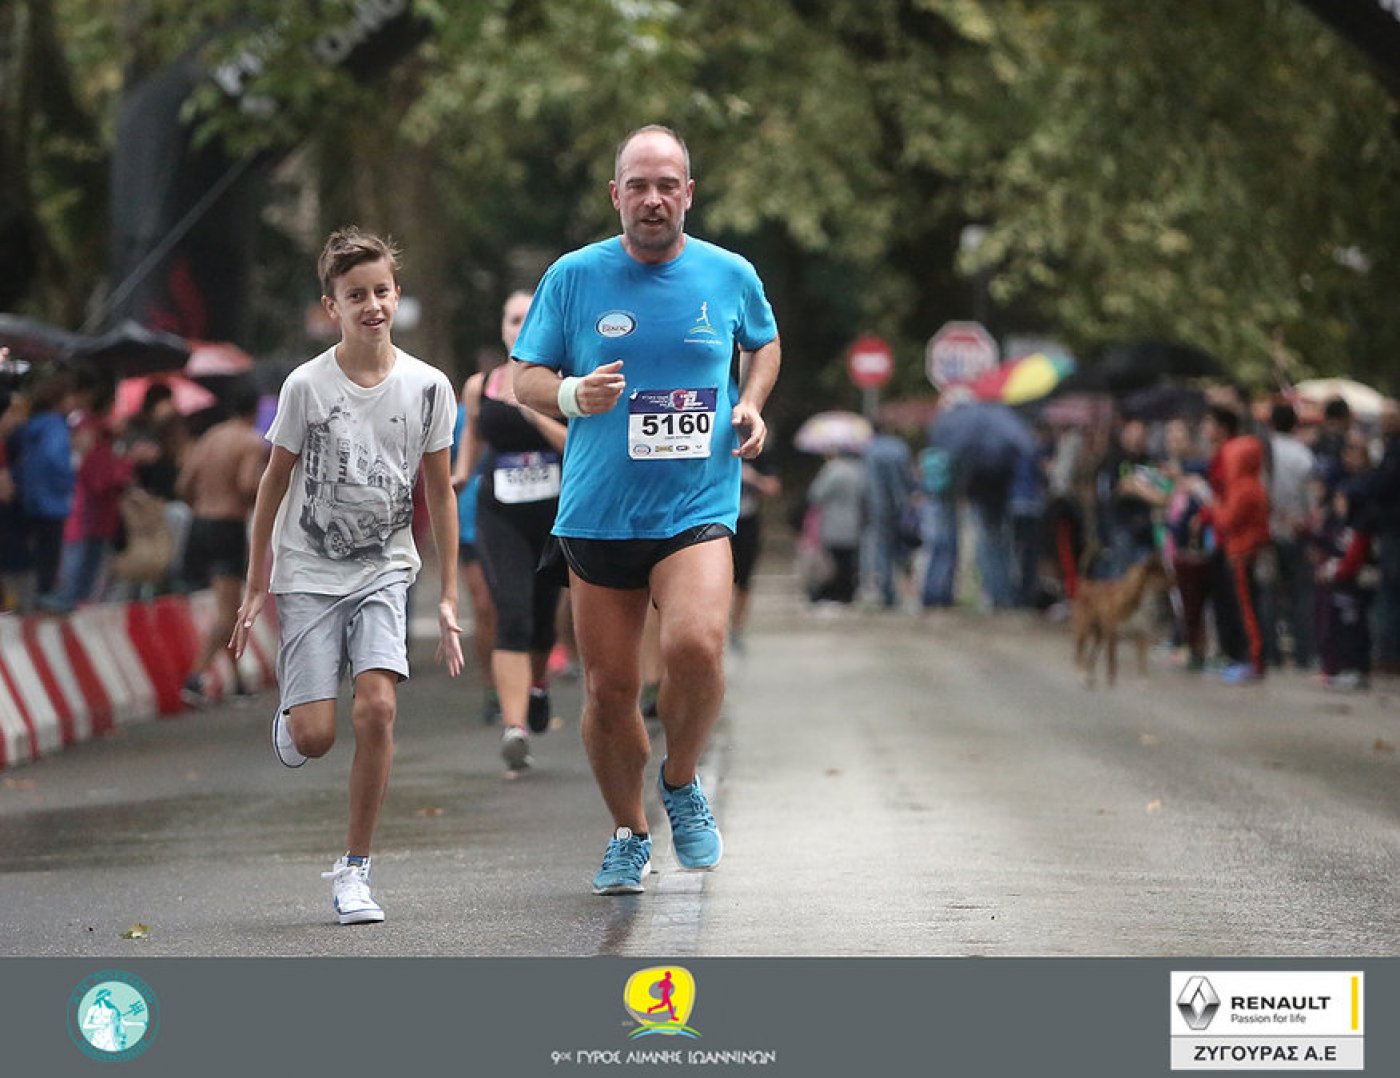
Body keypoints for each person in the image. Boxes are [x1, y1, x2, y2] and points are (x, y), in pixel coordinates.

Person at [512, 124, 780, 895]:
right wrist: (572, 393)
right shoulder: (573, 276)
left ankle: (682, 777)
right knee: (608, 690)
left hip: (696, 503)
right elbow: (523, 376)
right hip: (597, 512)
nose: (653, 199)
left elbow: (763, 343)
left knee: (696, 644)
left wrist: (751, 403)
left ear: (688, 193)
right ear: (616, 195)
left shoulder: (729, 273)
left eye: (667, 185)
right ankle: (629, 831)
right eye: (639, 185)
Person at [229, 227, 464, 925]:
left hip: (385, 570)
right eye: (356, 295)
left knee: (378, 709)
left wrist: (449, 594)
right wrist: (255, 580)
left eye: (382, 291)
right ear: (331, 306)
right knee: (316, 738)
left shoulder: (429, 387)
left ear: (397, 295)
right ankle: (294, 715)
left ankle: (355, 871)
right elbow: (273, 483)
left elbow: (441, 491)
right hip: (307, 572)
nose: (372, 305)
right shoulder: (306, 385)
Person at [454, 289, 568, 772]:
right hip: (499, 513)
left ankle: (537, 685)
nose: (520, 328)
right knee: (512, 612)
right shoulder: (480, 385)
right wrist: (459, 476)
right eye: (513, 319)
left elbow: (575, 445)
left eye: (529, 318)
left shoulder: (563, 381)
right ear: (502, 327)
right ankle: (515, 727)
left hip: (555, 515)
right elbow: (471, 439)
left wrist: (531, 409)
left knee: (543, 619)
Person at [176, 382, 269, 704]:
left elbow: (184, 483)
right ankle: (196, 676)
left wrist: (200, 504)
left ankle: (238, 679)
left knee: (226, 605)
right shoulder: (250, 441)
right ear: (254, 410)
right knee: (229, 611)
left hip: (199, 523)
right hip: (227, 524)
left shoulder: (210, 437)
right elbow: (246, 484)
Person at [451, 349, 500, 724]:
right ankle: (492, 687)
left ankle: (528, 681)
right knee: (484, 605)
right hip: (470, 518)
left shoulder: (525, 407)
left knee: (519, 606)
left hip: (514, 514)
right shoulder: (457, 417)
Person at [1261, 401, 1316, 670]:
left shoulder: (1263, 452)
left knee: (1268, 593)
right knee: (1301, 595)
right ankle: (1304, 653)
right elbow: (1311, 499)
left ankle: (1270, 652)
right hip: (1297, 531)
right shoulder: (1304, 455)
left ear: (1270, 423)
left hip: (1268, 532)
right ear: (1295, 425)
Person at [730, 450, 780, 649]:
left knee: (744, 578)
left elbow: (773, 488)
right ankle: (717, 624)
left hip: (747, 522)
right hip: (718, 522)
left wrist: (753, 478)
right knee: (720, 577)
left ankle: (737, 628)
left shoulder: (757, 453)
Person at [805, 448, 866, 605]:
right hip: (854, 521)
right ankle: (847, 593)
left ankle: (831, 592)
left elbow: (816, 494)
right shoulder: (860, 470)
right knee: (849, 561)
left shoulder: (832, 469)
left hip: (832, 520)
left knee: (833, 561)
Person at [862, 420, 913, 609]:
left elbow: (866, 481)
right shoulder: (900, 447)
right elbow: (908, 478)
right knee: (902, 548)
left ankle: (887, 592)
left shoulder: (868, 450)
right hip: (901, 505)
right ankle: (906, 587)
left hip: (876, 506)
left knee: (880, 549)